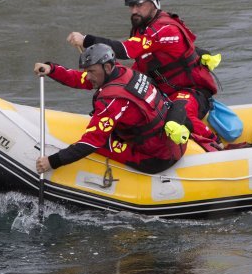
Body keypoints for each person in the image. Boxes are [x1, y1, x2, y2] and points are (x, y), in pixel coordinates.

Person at [67, 0, 222, 151]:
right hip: (165, 91)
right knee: (117, 81)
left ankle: (216, 143)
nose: (134, 11)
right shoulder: (142, 27)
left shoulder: (164, 29)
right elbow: (140, 64)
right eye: (131, 6)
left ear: (154, 3)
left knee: (178, 115)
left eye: (139, 5)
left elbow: (126, 50)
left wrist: (87, 39)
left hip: (192, 91)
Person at [34, 43, 189, 175]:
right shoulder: (123, 72)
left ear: (107, 67)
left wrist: (51, 162)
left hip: (157, 158)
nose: (87, 76)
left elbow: (90, 143)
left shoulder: (112, 100)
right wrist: (52, 69)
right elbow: (80, 79)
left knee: (99, 144)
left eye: (91, 71)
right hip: (169, 143)